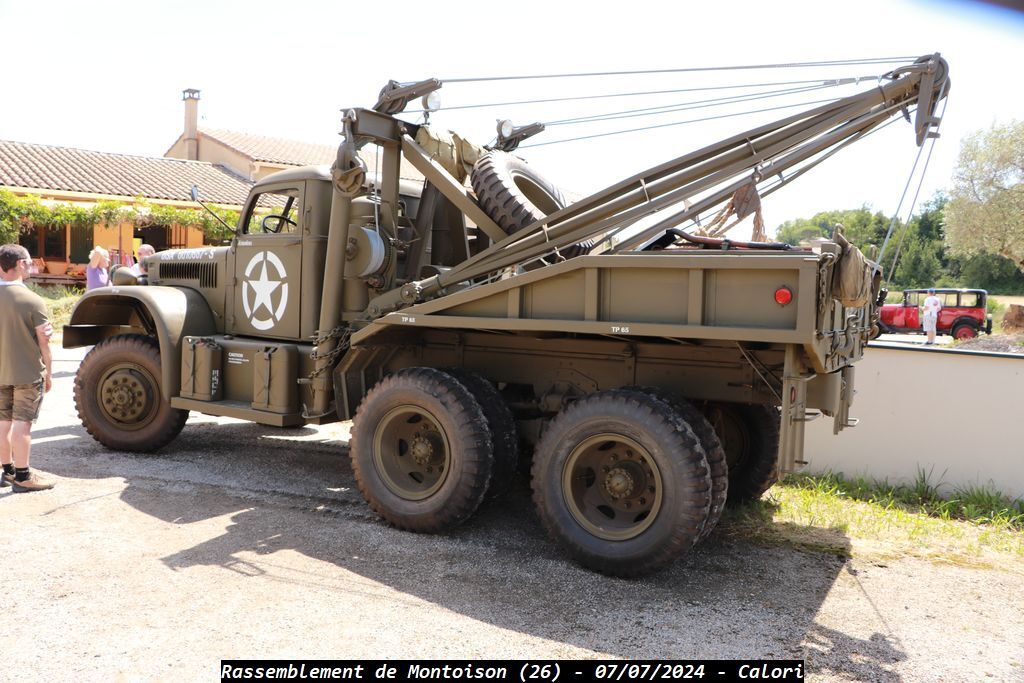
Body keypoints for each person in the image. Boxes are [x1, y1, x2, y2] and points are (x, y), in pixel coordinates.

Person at [0, 244, 54, 492]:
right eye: (30, 261)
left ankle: (8, 470)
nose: (32, 265)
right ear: (20, 264)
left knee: (2, 422)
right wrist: (49, 373)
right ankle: (23, 476)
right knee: (23, 424)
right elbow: (44, 342)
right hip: (28, 374)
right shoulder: (33, 301)